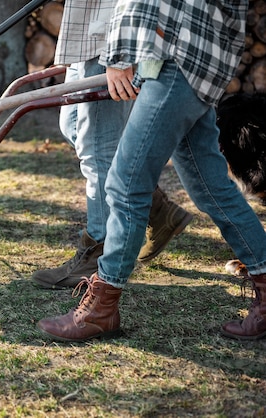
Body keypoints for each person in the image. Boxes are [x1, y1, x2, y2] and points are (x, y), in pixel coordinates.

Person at [37, 0, 266, 341]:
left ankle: (101, 308)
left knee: (125, 186)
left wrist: (118, 56)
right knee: (211, 188)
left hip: (176, 57)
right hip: (199, 58)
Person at [31, 0, 193, 290]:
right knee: (72, 128)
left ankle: (99, 251)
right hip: (86, 32)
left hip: (109, 34)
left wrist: (120, 56)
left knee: (98, 149)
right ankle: (156, 208)